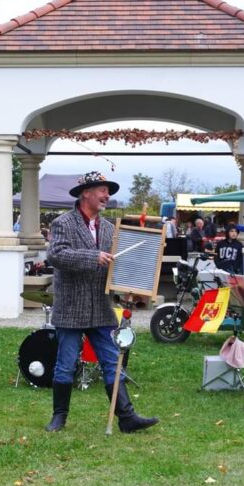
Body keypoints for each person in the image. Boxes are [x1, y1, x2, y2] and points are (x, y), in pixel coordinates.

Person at [45, 171, 158, 433]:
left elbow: (117, 267)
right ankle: (59, 417)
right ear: (86, 192)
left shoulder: (110, 228)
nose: (107, 195)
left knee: (112, 361)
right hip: (71, 307)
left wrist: (130, 287)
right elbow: (56, 255)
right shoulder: (63, 223)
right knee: (66, 364)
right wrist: (92, 257)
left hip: (101, 306)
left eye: (109, 191)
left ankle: (127, 417)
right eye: (103, 190)